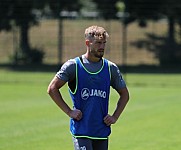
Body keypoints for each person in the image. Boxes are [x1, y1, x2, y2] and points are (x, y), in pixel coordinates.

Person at [47, 25, 129, 150]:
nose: (102, 47)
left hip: (101, 131)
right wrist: (69, 112)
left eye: (104, 43)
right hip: (81, 130)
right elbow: (52, 88)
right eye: (98, 43)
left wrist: (115, 116)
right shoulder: (73, 66)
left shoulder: (110, 68)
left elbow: (125, 94)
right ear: (87, 43)